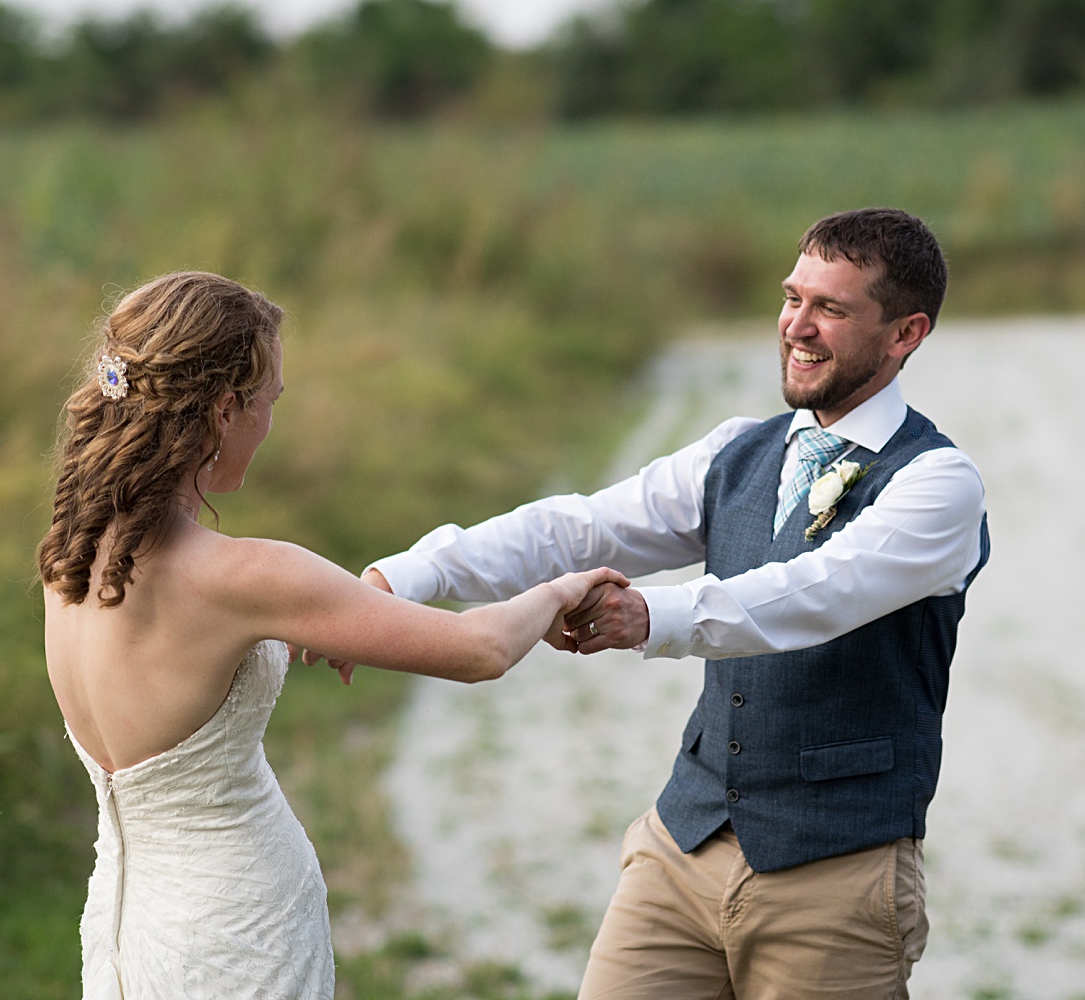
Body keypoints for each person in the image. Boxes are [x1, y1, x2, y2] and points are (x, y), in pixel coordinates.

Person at [351, 208, 990, 998]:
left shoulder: (938, 483)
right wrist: (396, 581)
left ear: (905, 334)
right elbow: (579, 528)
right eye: (794, 298)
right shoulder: (737, 450)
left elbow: (815, 594)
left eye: (832, 309)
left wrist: (649, 616)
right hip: (681, 847)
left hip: (836, 875)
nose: (798, 325)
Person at [37, 271, 625, 999]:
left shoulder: (68, 564)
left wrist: (327, 616)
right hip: (235, 931)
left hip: (126, 931)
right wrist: (561, 588)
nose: (271, 423)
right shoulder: (244, 576)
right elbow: (482, 650)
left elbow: (184, 675)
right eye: (269, 402)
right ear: (224, 409)